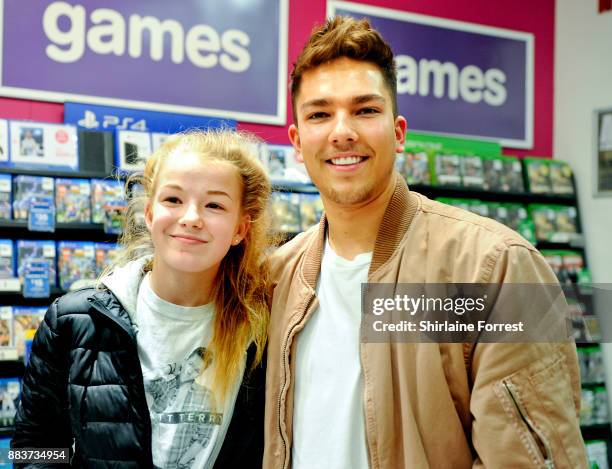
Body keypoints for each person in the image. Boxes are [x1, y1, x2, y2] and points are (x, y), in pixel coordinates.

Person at [264, 16, 587, 468]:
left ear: (398, 134)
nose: (342, 131)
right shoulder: (277, 277)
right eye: (320, 113)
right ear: (297, 142)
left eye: (365, 110)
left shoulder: (493, 268)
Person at [13, 129, 271, 468]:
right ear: (149, 214)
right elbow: (32, 446)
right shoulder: (72, 321)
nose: (191, 218)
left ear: (240, 229)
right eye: (173, 200)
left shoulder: (264, 329)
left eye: (214, 205)